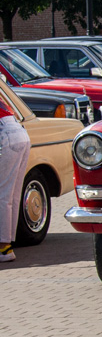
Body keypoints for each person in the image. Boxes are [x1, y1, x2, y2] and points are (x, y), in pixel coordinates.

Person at [0, 95, 31, 263]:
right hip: (19, 133)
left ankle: (3, 247)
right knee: (12, 195)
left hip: (6, 135)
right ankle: (7, 245)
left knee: (3, 195)